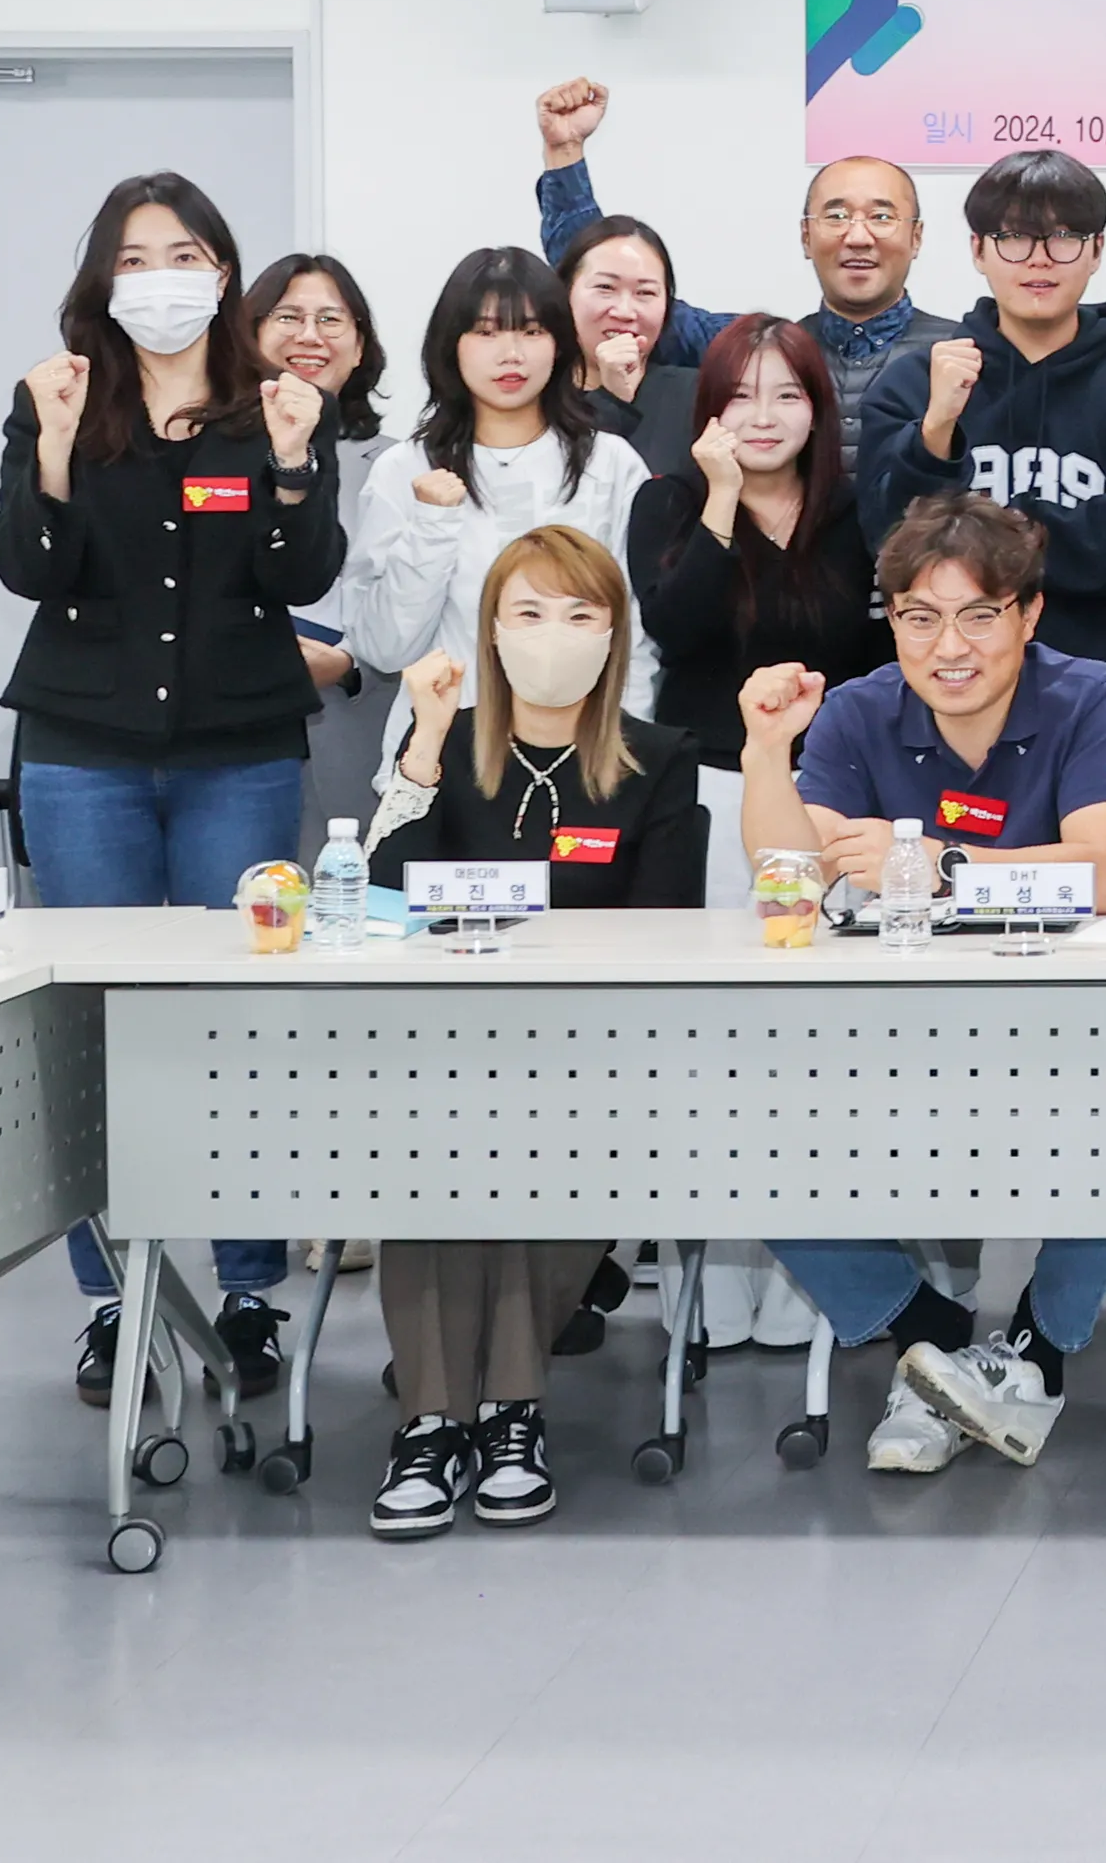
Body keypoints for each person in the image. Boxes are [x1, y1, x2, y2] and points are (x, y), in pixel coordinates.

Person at [0, 172, 338, 1404]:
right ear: (105, 278)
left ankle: (246, 1292)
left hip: (237, 750)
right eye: (135, 257)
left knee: (240, 1015)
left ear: (223, 271)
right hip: (82, 750)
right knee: (97, 1023)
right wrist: (51, 448)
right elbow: (30, 567)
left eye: (184, 253)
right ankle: (113, 1302)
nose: (160, 277)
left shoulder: (276, 404)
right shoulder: (61, 396)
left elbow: (304, 572)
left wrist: (291, 462)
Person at [741, 491, 1106, 1474]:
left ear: (1029, 613)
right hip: (899, 1034)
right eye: (920, 617)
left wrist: (943, 862)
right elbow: (788, 877)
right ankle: (934, 1336)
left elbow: (1103, 874)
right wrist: (765, 750)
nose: (950, 646)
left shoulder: (1091, 695)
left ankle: (1033, 1354)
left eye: (979, 613)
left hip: (1083, 1033)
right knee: (744, 1132)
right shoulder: (859, 709)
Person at [358, 526, 701, 1536]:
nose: (555, 634)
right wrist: (423, 742)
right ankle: (433, 1423)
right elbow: (380, 897)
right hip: (447, 1051)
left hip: (593, 1057)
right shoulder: (449, 745)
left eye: (581, 614)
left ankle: (508, 1412)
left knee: (540, 1148)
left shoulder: (658, 759)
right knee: (430, 1151)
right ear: (493, 632)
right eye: (530, 612)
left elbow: (664, 931)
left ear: (614, 635)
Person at [857, 147, 1106, 810]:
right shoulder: (917, 382)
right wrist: (935, 432)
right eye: (1015, 237)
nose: (1040, 259)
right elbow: (888, 545)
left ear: (1096, 249)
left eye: (1064, 237)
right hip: (946, 721)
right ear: (978, 249)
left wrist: (970, 544)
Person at [533, 75, 958, 472]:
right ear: (806, 237)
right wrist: (566, 154)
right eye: (836, 216)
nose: (858, 236)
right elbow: (606, 277)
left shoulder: (963, 353)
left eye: (882, 217)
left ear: (916, 237)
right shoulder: (765, 349)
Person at [625, 315, 893, 899]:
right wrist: (722, 495)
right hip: (705, 779)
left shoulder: (854, 513)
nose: (764, 418)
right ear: (710, 409)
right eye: (740, 397)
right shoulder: (668, 502)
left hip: (831, 785)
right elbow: (676, 629)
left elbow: (878, 654)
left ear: (817, 410)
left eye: (787, 396)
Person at [347, 248, 651, 761]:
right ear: (451, 345)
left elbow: (635, 633)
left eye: (531, 331)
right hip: (443, 755)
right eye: (486, 332)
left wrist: (626, 749)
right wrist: (432, 525)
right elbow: (383, 648)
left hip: (586, 756)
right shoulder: (404, 469)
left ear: (560, 343)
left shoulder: (611, 463)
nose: (511, 355)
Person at [244, 251, 399, 846]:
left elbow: (430, 606)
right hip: (225, 728)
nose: (310, 336)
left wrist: (352, 662)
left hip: (352, 721)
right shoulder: (206, 454)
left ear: (360, 347)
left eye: (331, 320)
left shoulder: (400, 465)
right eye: (287, 317)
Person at [557, 210, 696, 480]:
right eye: (605, 287)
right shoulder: (536, 397)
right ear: (566, 292)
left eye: (645, 293)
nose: (624, 311)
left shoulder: (697, 395)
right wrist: (611, 401)